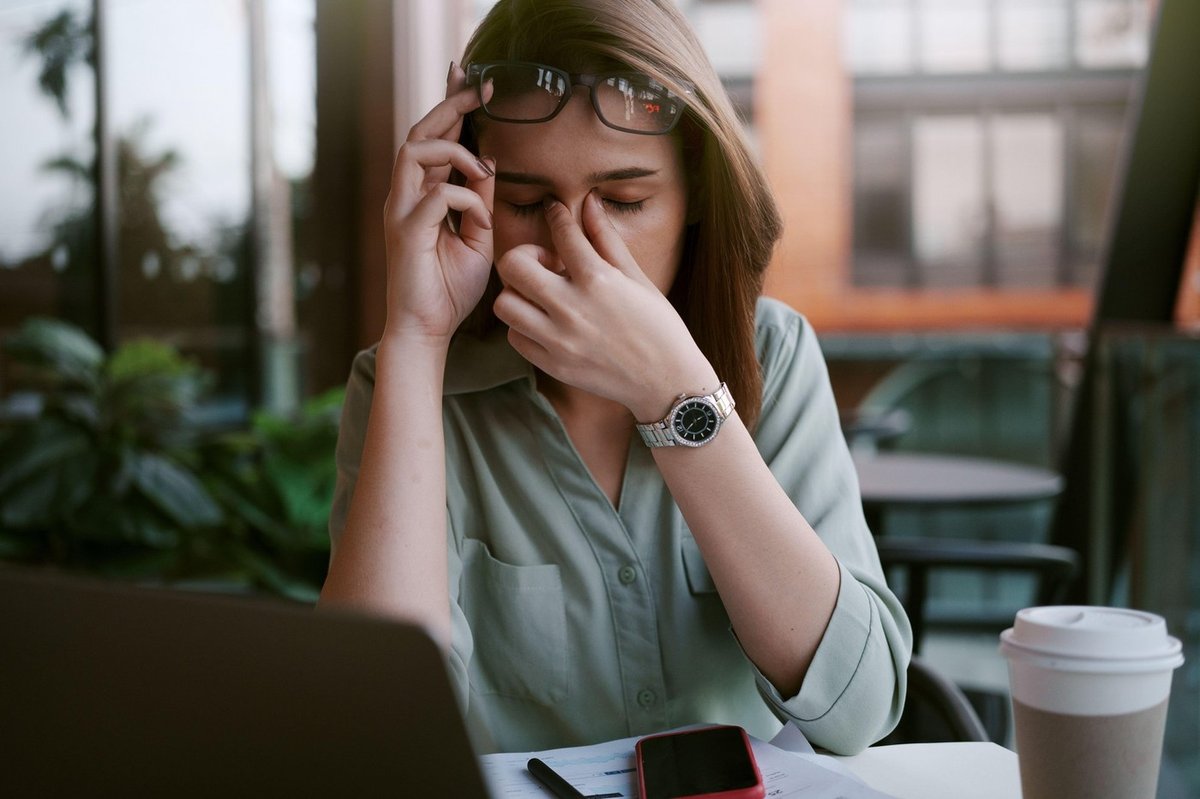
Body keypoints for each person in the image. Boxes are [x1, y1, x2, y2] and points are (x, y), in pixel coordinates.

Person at [320, 0, 911, 755]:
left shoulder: (775, 351)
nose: (573, 249)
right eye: (529, 203)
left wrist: (675, 393)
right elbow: (371, 739)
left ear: (697, 195)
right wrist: (415, 333)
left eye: (626, 201)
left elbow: (858, 709)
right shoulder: (404, 381)